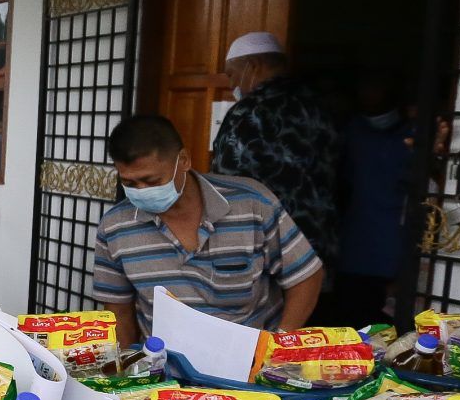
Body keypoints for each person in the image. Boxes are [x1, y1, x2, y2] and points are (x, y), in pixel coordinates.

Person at [95, 114, 322, 341]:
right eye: (130, 183)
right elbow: (119, 313)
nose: (142, 191)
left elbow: (306, 276)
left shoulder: (253, 205)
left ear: (183, 160)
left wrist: (279, 342)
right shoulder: (115, 227)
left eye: (152, 181)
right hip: (165, 369)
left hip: (251, 365)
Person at [212, 32, 342, 274]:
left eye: (231, 74)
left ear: (253, 66)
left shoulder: (249, 112)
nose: (231, 85)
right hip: (317, 248)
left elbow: (227, 185)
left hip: (267, 252)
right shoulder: (321, 107)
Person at [332, 68, 416, 326]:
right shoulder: (350, 130)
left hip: (393, 245)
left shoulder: (413, 134)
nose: (369, 93)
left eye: (377, 86)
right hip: (353, 245)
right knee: (350, 320)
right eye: (365, 86)